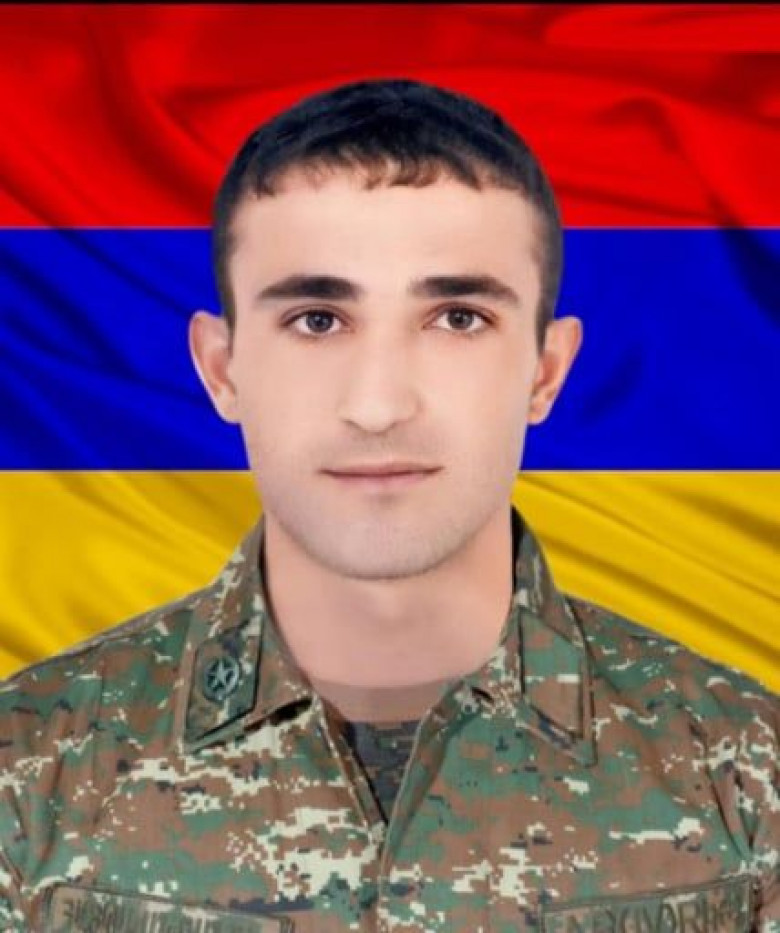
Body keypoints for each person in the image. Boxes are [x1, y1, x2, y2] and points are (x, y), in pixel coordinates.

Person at [0, 78, 777, 933]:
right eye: (317, 319)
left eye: (457, 318)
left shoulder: (747, 775)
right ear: (221, 369)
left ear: (546, 371)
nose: (378, 405)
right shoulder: (26, 770)